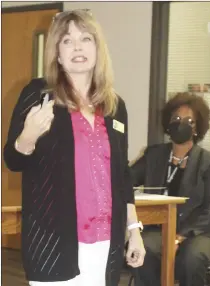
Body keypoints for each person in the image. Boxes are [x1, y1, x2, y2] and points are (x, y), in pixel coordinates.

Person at [3, 10, 145, 286]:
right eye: (67, 41)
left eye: (86, 39)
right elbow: (12, 160)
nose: (78, 47)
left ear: (97, 48)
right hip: (54, 244)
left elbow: (122, 175)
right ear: (57, 53)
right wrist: (28, 137)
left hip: (107, 242)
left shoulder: (115, 106)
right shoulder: (38, 95)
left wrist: (133, 229)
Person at [130, 92, 210, 286]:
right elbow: (127, 178)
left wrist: (180, 236)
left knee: (192, 257)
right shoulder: (155, 155)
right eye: (176, 118)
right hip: (159, 229)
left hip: (199, 232)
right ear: (168, 123)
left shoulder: (209, 162)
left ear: (196, 128)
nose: (180, 123)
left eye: (188, 121)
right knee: (143, 248)